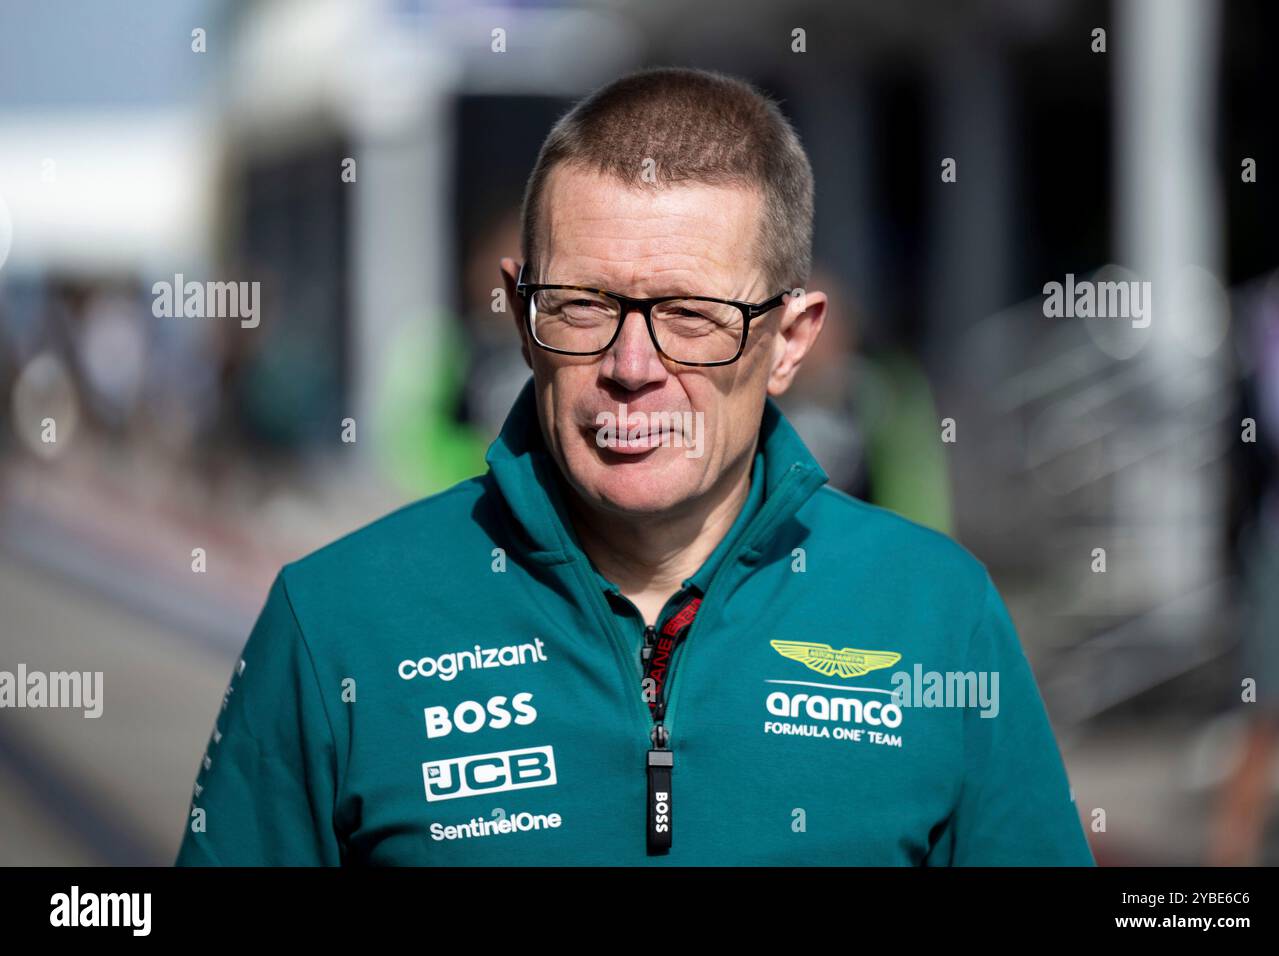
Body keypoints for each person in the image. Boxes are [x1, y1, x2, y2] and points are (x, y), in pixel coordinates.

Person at [175, 66, 1093, 866]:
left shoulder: (938, 614)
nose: (631, 367)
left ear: (790, 341)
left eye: (693, 316)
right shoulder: (336, 623)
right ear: (517, 315)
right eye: (581, 306)